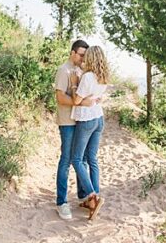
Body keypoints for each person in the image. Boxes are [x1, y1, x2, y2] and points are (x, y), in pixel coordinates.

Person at [70, 45, 110, 221]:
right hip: (99, 118)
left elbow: (76, 100)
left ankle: (93, 196)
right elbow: (98, 97)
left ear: (91, 58)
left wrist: (73, 84)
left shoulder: (87, 76)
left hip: (87, 120)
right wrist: (89, 98)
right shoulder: (103, 76)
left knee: (76, 159)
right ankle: (94, 197)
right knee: (91, 159)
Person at [53, 38, 89, 221]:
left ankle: (83, 195)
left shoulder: (81, 71)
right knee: (66, 159)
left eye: (85, 55)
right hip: (67, 121)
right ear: (73, 52)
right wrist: (79, 101)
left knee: (81, 159)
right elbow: (60, 98)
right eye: (81, 55)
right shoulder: (64, 70)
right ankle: (61, 202)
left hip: (81, 121)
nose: (83, 58)